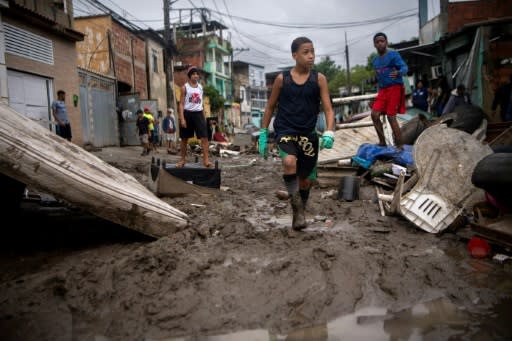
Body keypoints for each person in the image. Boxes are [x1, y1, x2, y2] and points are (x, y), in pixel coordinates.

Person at [259, 36, 335, 231]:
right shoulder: (281, 79)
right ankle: (297, 212)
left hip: (308, 134)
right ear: (295, 55)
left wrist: (329, 131)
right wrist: (263, 133)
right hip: (285, 131)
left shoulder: (319, 79)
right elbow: (269, 107)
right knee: (289, 162)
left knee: (305, 181)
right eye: (305, 52)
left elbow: (328, 109)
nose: (311, 56)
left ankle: (301, 206)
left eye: (312, 51)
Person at [370, 32, 408, 148]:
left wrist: (399, 72)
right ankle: (382, 142)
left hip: (395, 89)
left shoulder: (393, 55)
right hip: (383, 90)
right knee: (374, 115)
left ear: (386, 42)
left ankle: (400, 145)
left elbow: (405, 67)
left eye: (382, 41)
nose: (380, 43)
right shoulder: (375, 61)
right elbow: (379, 77)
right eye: (377, 42)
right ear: (374, 45)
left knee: (391, 117)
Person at [177, 65, 213, 168]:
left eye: (197, 74)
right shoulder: (185, 88)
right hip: (187, 114)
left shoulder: (201, 87)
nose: (196, 76)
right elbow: (181, 104)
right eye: (193, 74)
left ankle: (206, 160)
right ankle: (182, 160)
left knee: (204, 138)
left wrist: (204, 118)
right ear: (189, 76)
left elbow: (201, 104)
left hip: (198, 114)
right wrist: (182, 118)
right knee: (184, 139)